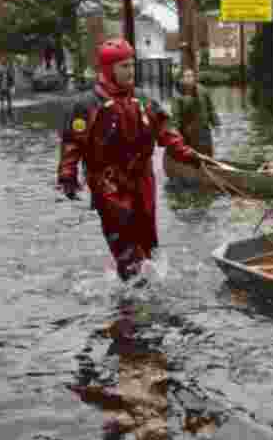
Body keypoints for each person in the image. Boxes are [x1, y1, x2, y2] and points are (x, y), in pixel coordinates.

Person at [56, 39, 200, 282]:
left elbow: (165, 129)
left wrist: (186, 153)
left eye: (132, 65)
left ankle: (148, 292)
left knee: (148, 243)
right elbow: (72, 143)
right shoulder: (88, 104)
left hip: (142, 179)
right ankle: (131, 303)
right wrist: (67, 176)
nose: (130, 71)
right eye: (124, 66)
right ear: (108, 69)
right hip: (108, 184)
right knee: (126, 247)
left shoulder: (142, 100)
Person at [171, 68, 219, 158]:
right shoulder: (177, 96)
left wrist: (216, 123)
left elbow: (211, 108)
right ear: (182, 79)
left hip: (204, 130)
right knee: (193, 156)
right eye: (187, 76)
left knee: (208, 154)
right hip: (188, 133)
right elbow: (176, 116)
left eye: (191, 76)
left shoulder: (203, 90)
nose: (190, 78)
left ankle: (209, 165)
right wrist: (175, 131)